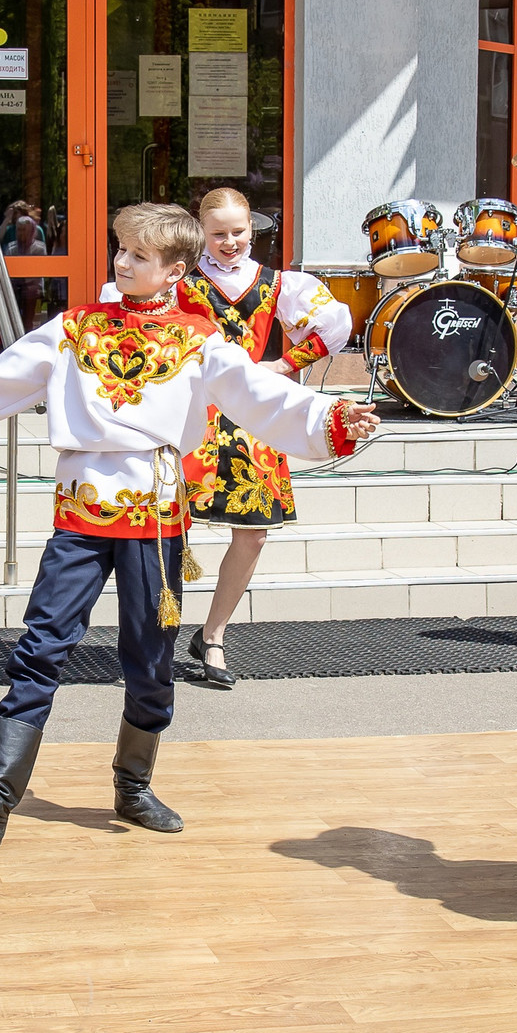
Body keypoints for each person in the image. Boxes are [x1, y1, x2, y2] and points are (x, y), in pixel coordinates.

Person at [0, 203, 379, 852]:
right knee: (40, 648)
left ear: (174, 272)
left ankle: (133, 785)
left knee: (150, 658)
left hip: (157, 523)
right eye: (121, 249)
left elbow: (263, 398)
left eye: (138, 254)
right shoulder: (75, 329)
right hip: (80, 518)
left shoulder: (199, 342)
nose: (122, 261)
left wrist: (332, 422)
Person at [178, 188, 352, 688]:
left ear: (252, 229)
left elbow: (333, 325)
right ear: (201, 234)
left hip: (255, 416)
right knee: (169, 527)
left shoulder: (278, 283)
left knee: (253, 533)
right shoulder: (179, 281)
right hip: (194, 414)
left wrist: (282, 364)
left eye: (237, 232)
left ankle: (213, 634)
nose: (229, 242)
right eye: (218, 233)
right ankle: (157, 633)